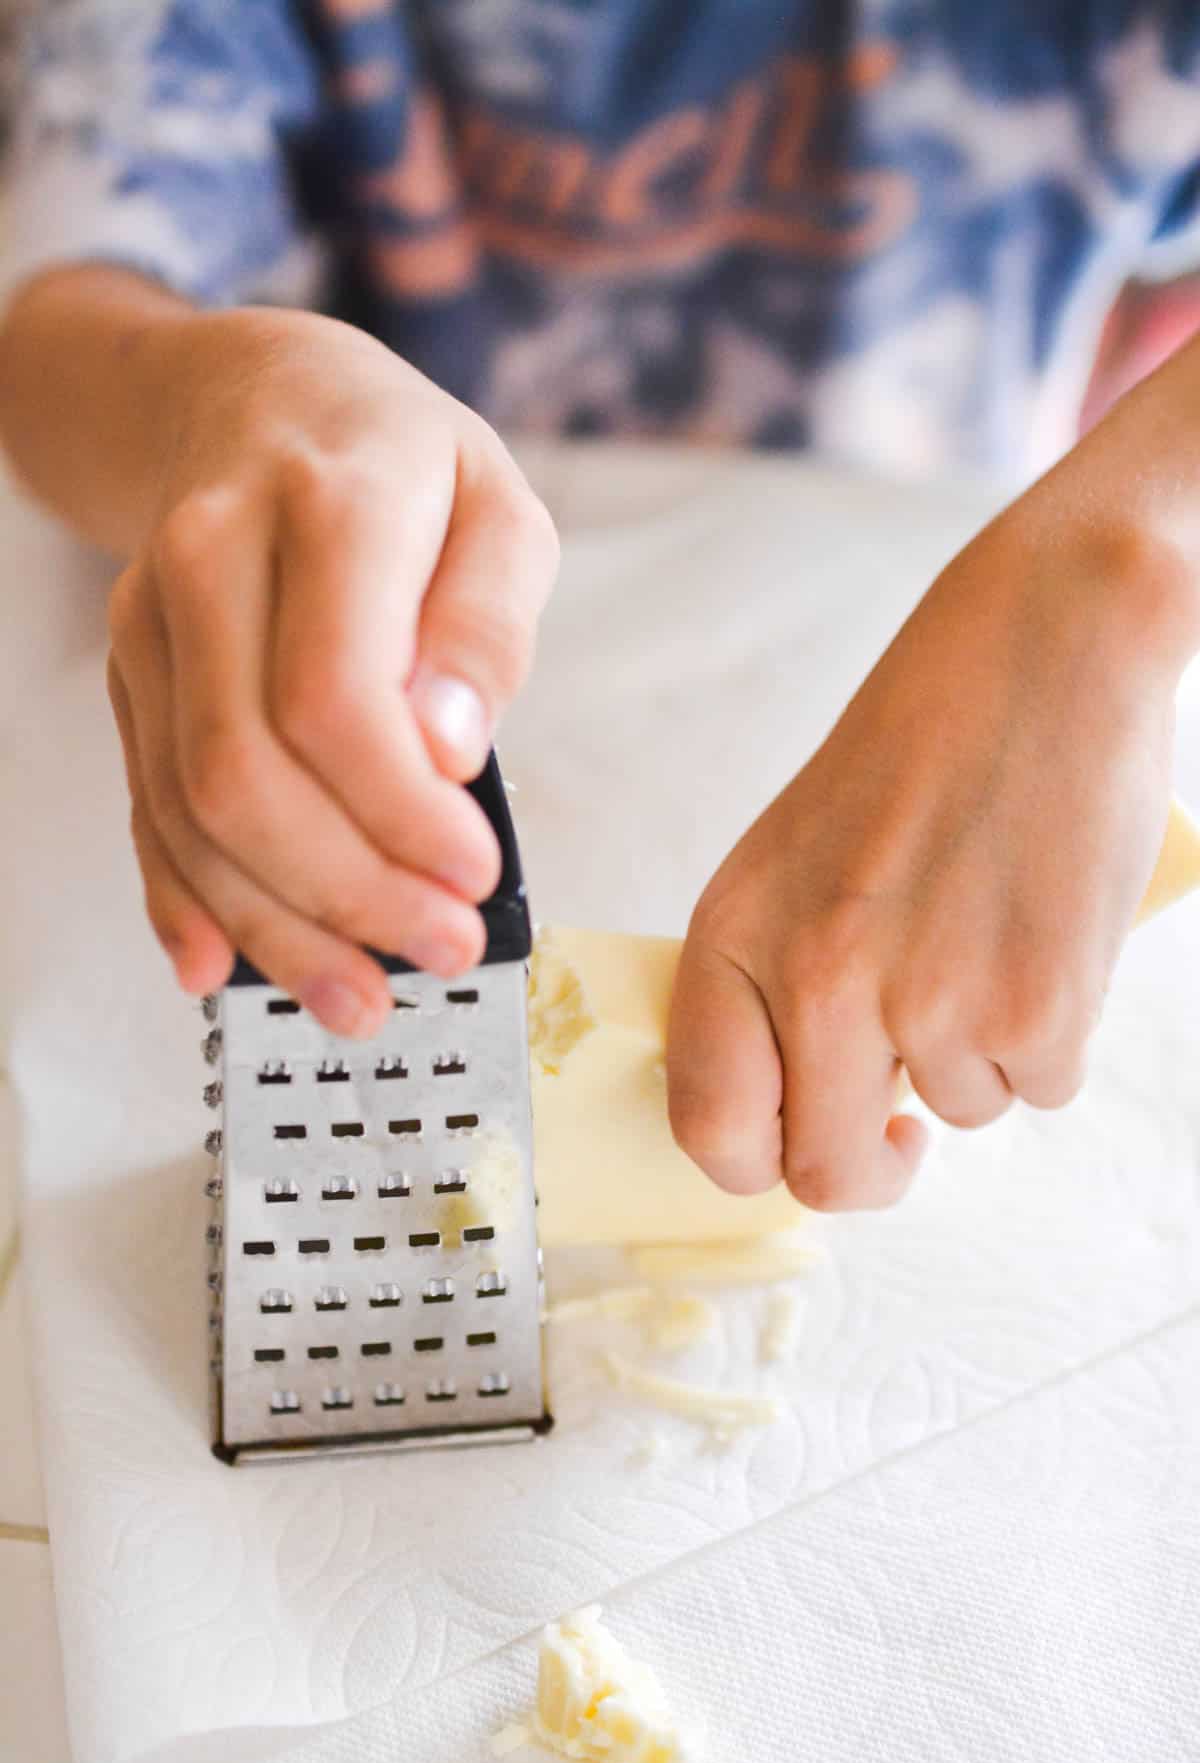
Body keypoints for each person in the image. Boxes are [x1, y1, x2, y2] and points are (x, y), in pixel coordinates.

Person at [1, 2, 1198, 1213]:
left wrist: (1135, 544)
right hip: (300, 681)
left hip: (904, 600)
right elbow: (57, 324)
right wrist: (216, 403)